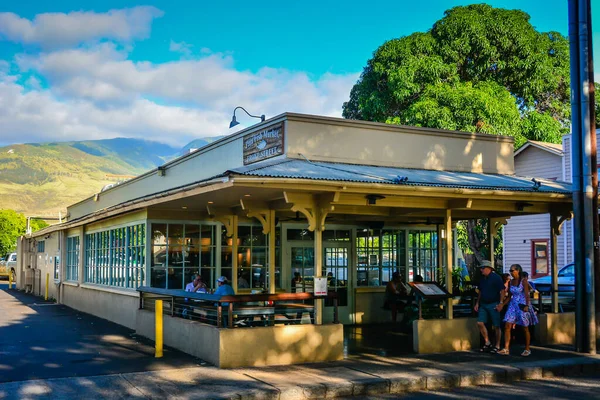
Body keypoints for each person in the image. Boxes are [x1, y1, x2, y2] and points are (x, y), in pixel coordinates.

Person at [496, 264, 538, 356]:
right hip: (513, 304)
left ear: (518, 271)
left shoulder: (523, 281)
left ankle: (527, 348)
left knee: (524, 327)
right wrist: (502, 304)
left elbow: (527, 294)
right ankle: (506, 348)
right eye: (510, 271)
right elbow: (510, 296)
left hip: (521, 304)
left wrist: (527, 305)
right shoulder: (511, 282)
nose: (511, 273)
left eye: (512, 270)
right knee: (507, 324)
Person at [474, 260, 505, 353]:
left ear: (489, 268)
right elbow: (480, 291)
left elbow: (502, 290)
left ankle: (497, 345)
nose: (481, 270)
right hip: (483, 303)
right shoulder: (482, 279)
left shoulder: (496, 278)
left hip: (493, 303)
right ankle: (487, 341)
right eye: (481, 268)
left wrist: (501, 303)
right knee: (480, 322)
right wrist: (477, 303)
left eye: (483, 268)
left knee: (496, 325)